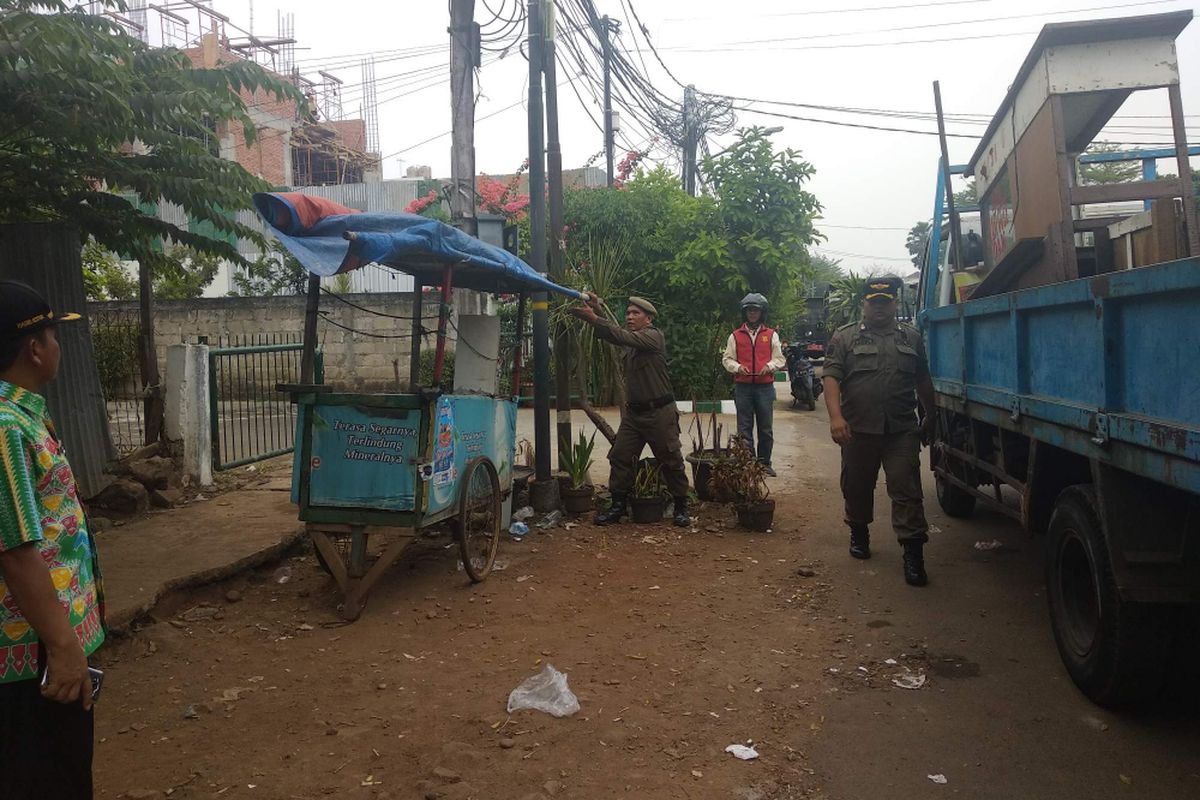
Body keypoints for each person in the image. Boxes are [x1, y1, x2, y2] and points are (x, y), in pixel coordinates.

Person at [0, 280, 105, 798]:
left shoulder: (22, 415)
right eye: (53, 335)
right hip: (30, 650)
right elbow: (15, 550)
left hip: (43, 642)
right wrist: (64, 649)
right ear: (35, 349)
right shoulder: (3, 426)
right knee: (47, 777)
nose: (58, 345)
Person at [821, 275, 937, 586]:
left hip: (901, 429)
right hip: (858, 429)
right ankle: (859, 530)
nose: (880, 309)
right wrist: (836, 417)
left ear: (895, 304)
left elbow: (923, 380)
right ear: (864, 304)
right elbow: (831, 377)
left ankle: (913, 553)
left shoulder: (911, 338)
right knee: (857, 485)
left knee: (906, 488)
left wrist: (931, 415)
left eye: (886, 303)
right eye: (875, 303)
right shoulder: (845, 338)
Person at [569, 295, 690, 527]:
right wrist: (598, 311)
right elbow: (616, 335)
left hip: (659, 413)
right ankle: (617, 506)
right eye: (628, 313)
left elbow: (621, 335)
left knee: (671, 459)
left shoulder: (653, 336)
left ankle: (681, 506)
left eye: (636, 313)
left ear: (649, 318)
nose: (630, 317)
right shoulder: (634, 342)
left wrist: (594, 318)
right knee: (620, 457)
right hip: (635, 415)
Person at [721, 293, 786, 476]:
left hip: (765, 387)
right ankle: (747, 463)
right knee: (744, 427)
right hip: (743, 387)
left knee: (766, 427)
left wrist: (769, 366)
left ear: (761, 312)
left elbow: (780, 359)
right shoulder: (735, 335)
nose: (752, 313)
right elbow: (727, 359)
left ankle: (765, 463)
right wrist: (737, 367)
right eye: (749, 310)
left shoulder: (771, 335)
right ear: (745, 312)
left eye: (755, 310)